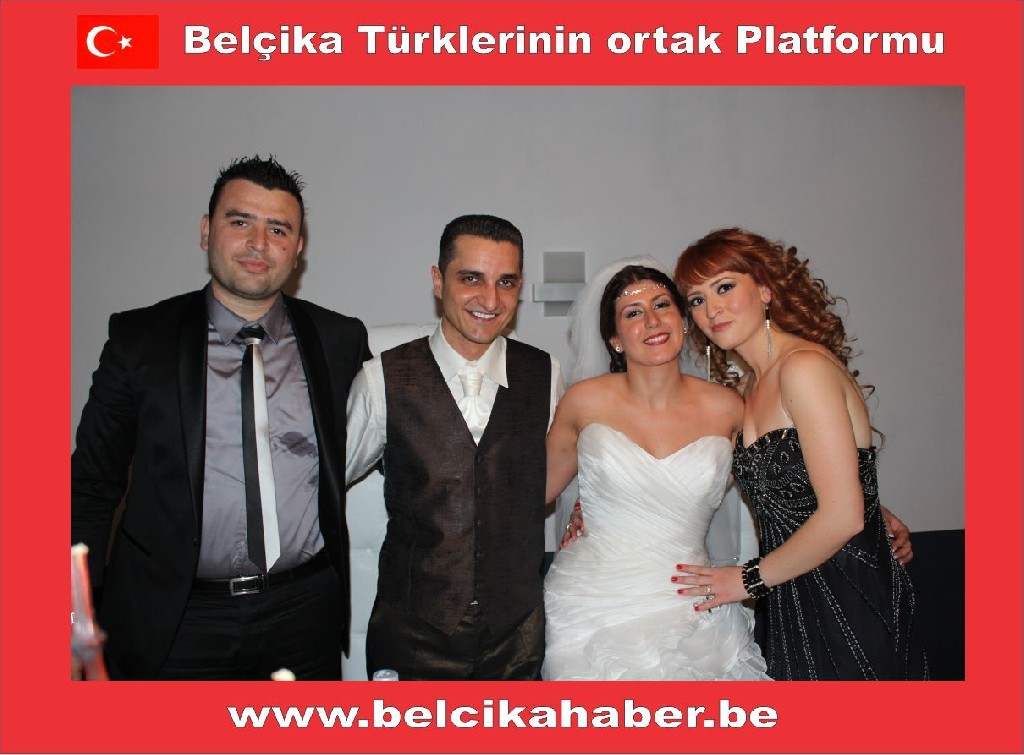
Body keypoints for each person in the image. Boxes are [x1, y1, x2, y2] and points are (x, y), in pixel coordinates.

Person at [71, 155, 370, 680]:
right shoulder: (139, 341)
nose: (258, 243)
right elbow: (93, 483)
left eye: (278, 229)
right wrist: (78, 608)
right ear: (207, 231)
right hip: (176, 618)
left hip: (303, 615)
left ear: (298, 248)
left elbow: (396, 433)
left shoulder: (339, 339)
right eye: (240, 222)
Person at [672, 227, 928, 680]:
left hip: (850, 593)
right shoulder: (747, 388)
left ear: (765, 289)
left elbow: (844, 516)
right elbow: (808, 482)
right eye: (696, 299)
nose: (711, 310)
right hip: (789, 594)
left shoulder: (803, 367)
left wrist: (745, 579)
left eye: (724, 287)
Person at [346, 214, 562, 680]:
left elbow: (567, 474)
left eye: (506, 282)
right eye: (472, 279)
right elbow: (324, 486)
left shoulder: (547, 374)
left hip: (517, 634)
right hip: (413, 633)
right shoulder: (381, 378)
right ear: (438, 281)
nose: (491, 300)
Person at [543, 262, 770, 680]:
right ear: (614, 340)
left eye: (662, 305)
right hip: (590, 606)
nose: (652, 321)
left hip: (690, 598)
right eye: (633, 313)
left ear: (682, 319)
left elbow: (782, 481)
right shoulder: (583, 401)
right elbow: (532, 491)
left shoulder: (729, 408)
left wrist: (869, 509)